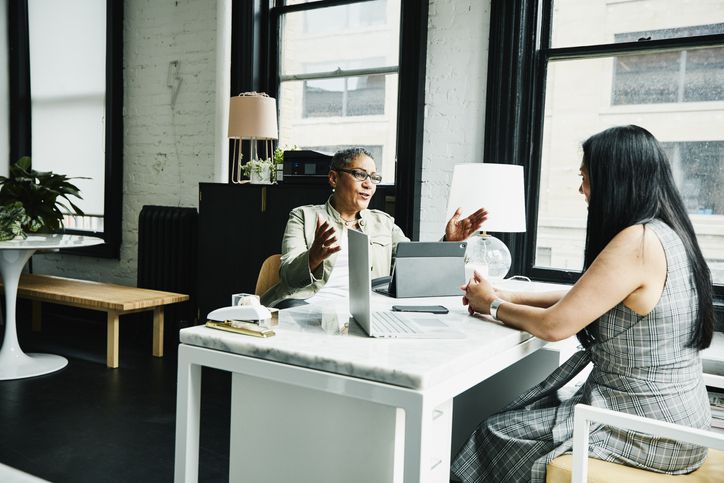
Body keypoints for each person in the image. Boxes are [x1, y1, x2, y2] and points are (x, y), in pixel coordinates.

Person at [451, 125, 714, 483]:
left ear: (615, 180)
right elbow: (588, 297)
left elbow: (554, 326)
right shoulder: (667, 232)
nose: (581, 189)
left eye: (586, 177)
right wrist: (507, 294)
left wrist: (491, 305)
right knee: (530, 408)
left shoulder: (636, 241)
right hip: (682, 418)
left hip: (647, 428)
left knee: (493, 432)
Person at [260, 147, 488, 308]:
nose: (369, 184)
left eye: (373, 177)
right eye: (359, 174)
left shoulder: (384, 222)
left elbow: (414, 265)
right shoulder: (304, 216)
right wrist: (314, 256)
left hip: (367, 311)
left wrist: (450, 243)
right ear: (333, 178)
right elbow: (288, 276)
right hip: (306, 305)